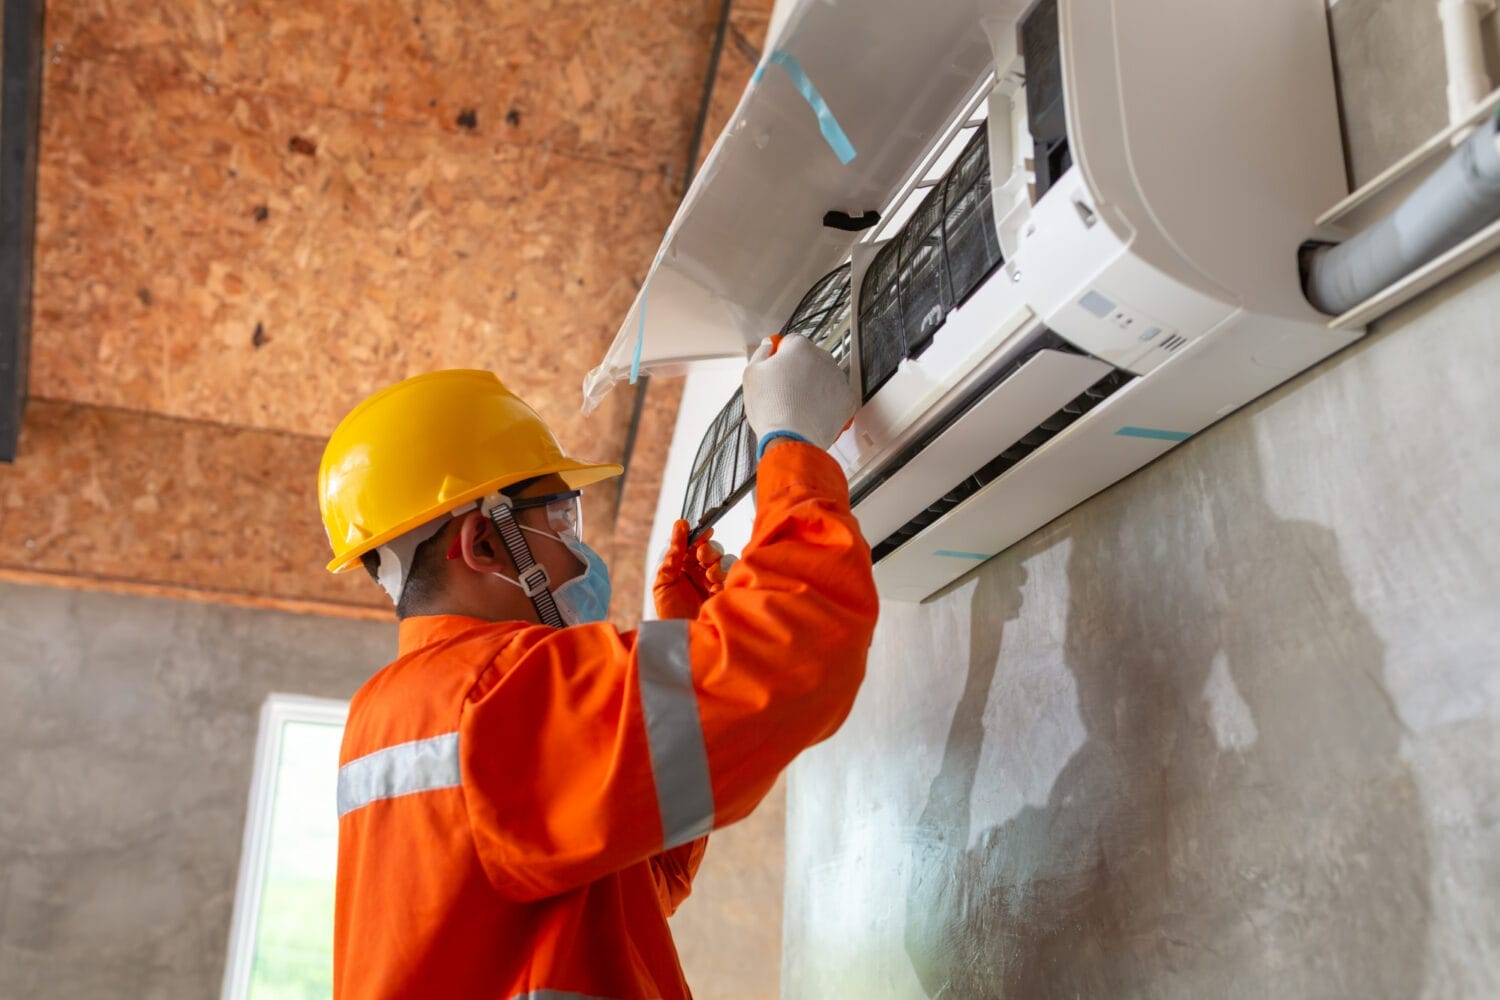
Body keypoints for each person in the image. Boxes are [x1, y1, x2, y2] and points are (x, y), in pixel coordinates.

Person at [316, 334, 879, 999]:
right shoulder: (490, 697)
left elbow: (628, 883)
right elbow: (800, 653)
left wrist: (686, 635)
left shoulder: (398, 716)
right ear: (487, 541)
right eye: (559, 516)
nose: (576, 550)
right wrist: (793, 448)